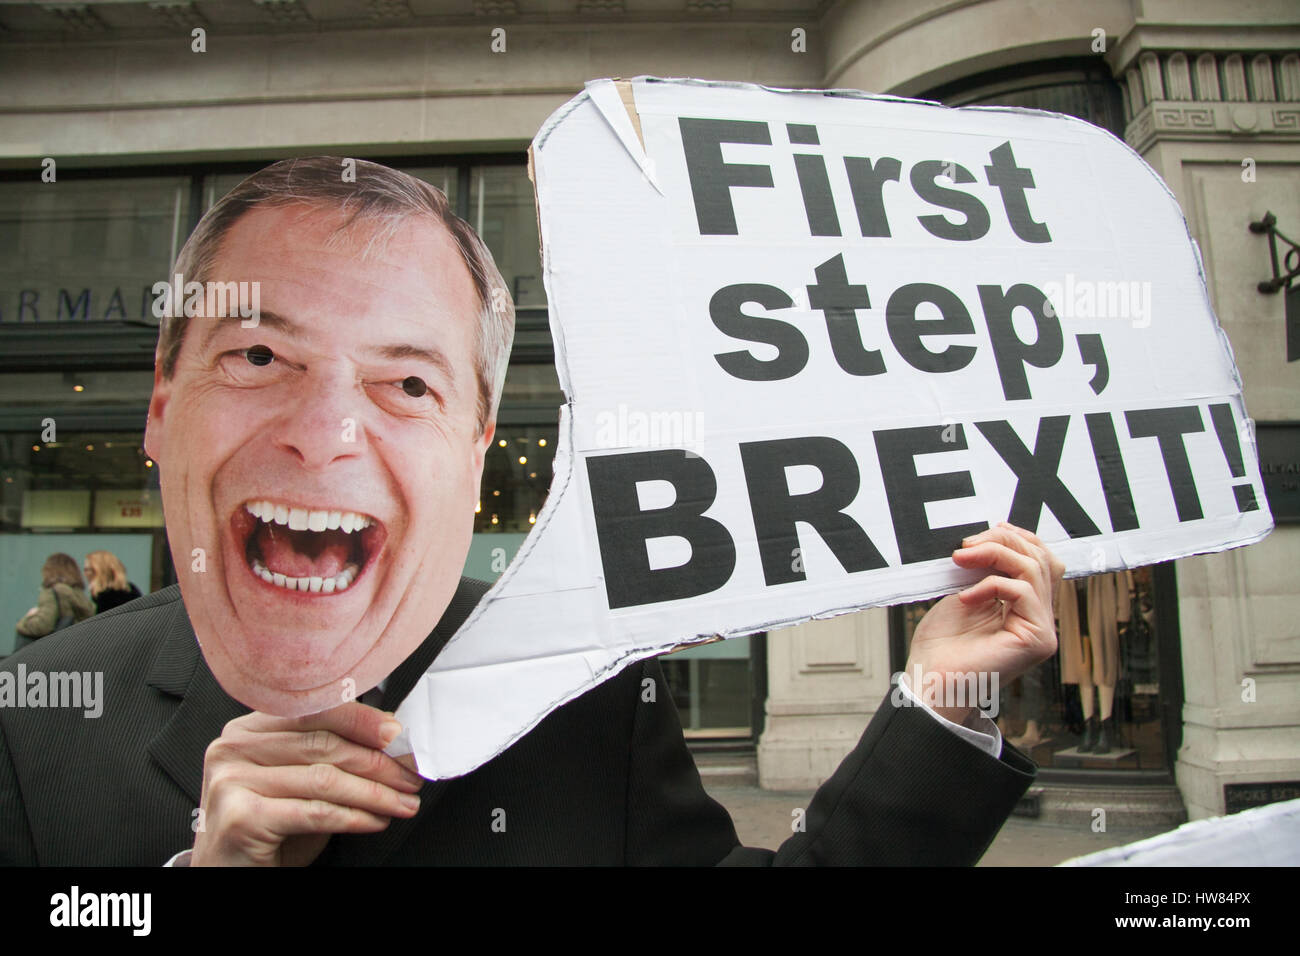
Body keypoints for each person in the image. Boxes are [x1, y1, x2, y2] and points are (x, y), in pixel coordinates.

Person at [0, 157, 1061, 866]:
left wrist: (948, 687)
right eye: (261, 355)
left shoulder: (578, 697)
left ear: (472, 456)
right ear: (160, 407)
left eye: (408, 384)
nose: (323, 433)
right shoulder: (34, 723)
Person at [12, 553, 94, 653]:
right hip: (75, 649)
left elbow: (42, 626)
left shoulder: (52, 592)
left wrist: (24, 621)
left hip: (51, 653)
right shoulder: (78, 593)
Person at [83, 550, 143, 614]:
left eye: (88, 570)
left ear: (101, 571)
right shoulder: (130, 589)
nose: (85, 574)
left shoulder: (107, 597)